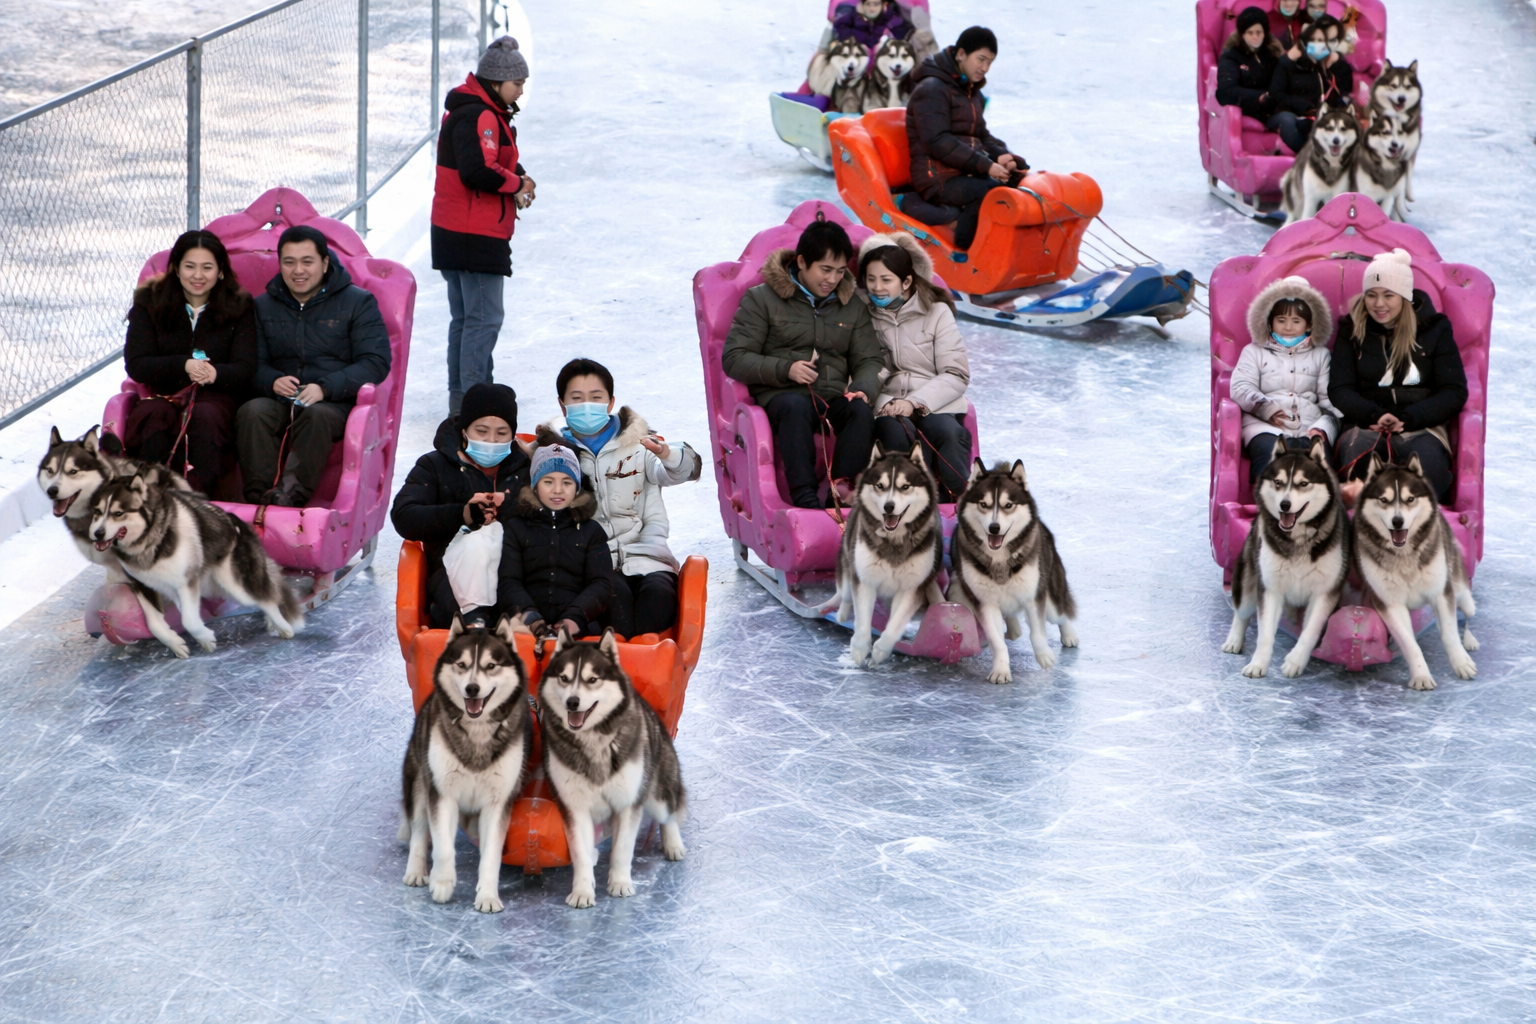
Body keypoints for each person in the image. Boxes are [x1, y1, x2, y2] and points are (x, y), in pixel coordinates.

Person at [721, 216, 884, 510]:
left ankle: (842, 491)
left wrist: (862, 387)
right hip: (782, 396)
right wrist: (786, 369)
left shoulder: (851, 306)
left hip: (832, 395)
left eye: (839, 271)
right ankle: (804, 497)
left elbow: (869, 359)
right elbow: (734, 357)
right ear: (801, 262)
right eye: (825, 269)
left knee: (859, 411)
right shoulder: (762, 299)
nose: (832, 279)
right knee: (795, 409)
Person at [535, 358, 701, 638]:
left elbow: (684, 471)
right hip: (595, 563)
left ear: (610, 403)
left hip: (648, 554)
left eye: (595, 397)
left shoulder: (638, 444)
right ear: (563, 405)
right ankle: (625, 668)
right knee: (613, 606)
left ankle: (647, 668)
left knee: (659, 600)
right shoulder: (554, 453)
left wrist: (665, 453)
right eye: (577, 399)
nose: (587, 405)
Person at [236, 225, 391, 506]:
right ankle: (257, 498)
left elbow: (375, 361)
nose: (298, 270)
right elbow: (249, 361)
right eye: (289, 262)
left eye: (307, 261)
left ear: (325, 262)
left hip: (334, 400)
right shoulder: (263, 306)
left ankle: (289, 498)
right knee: (252, 412)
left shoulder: (357, 302)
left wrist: (325, 387)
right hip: (281, 397)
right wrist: (271, 380)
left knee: (316, 417)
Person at [431, 35, 536, 417]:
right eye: (517, 83)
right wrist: (517, 184)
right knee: (483, 319)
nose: (521, 89)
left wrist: (518, 176)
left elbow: (487, 160)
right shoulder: (481, 115)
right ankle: (471, 408)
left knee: (466, 319)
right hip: (473, 234)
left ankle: (464, 400)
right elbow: (476, 171)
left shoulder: (475, 110)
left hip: (454, 229)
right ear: (496, 81)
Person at [1329, 249, 1468, 505]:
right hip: (1366, 423)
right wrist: (1372, 415)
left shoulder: (1434, 329)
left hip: (1420, 424)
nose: (1378, 304)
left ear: (1404, 296)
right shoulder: (1352, 329)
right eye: (1371, 295)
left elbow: (1454, 390)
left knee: (1427, 472)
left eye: (1388, 295)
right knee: (1358, 464)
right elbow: (1340, 388)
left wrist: (1410, 417)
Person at [123, 230, 255, 496]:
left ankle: (200, 500)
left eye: (207, 267)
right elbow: (137, 363)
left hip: (216, 398)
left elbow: (246, 367)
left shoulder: (238, 306)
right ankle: (149, 496)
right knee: (155, 418)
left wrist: (215, 373)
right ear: (176, 268)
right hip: (164, 394)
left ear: (220, 271)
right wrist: (182, 365)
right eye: (190, 267)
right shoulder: (150, 302)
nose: (198, 275)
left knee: (205, 418)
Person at [390, 383, 530, 629]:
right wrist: (463, 513)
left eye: (501, 433)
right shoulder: (435, 465)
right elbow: (404, 515)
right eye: (482, 431)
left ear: (513, 434)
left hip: (517, 570)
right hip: (453, 572)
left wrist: (507, 507)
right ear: (464, 430)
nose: (491, 440)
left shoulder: (526, 467)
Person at [857, 233, 972, 502]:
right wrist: (885, 401)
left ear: (906, 281)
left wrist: (915, 402)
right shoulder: (864, 316)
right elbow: (866, 367)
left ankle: (957, 501)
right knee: (895, 433)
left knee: (947, 433)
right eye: (871, 280)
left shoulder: (936, 312)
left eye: (886, 280)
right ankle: (905, 504)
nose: (877, 288)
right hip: (888, 401)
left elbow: (955, 373)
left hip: (933, 400)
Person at [905, 26, 1030, 251]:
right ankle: (967, 250)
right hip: (935, 176)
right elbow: (937, 141)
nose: (985, 68)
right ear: (961, 54)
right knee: (989, 192)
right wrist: (985, 165)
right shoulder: (932, 88)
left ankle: (1016, 250)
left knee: (1016, 184)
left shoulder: (971, 93)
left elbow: (981, 135)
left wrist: (1004, 156)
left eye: (990, 62)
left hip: (962, 171)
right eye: (981, 59)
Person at [493, 444, 611, 640]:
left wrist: (574, 619)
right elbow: (508, 581)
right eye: (548, 481)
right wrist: (530, 617)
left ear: (577, 487)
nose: (558, 490)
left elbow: (601, 584)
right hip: (524, 627)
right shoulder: (516, 528)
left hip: (577, 627)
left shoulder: (591, 531)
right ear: (535, 485)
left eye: (567, 482)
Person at [1230, 276, 1341, 482]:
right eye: (1281, 320)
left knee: (1320, 465)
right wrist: (1264, 407)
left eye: (1296, 321)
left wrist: (1323, 428)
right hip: (1265, 424)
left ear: (1309, 325)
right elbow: (1241, 386)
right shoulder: (1254, 351)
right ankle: (1266, 504)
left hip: (1308, 425)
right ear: (1270, 321)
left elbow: (1329, 399)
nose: (1288, 327)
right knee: (1269, 456)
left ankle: (1320, 509)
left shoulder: (1321, 355)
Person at [1267, 18, 1353, 154]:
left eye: (1321, 41)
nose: (1318, 45)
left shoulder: (1321, 67)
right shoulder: (1287, 64)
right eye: (1314, 41)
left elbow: (1332, 95)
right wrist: (1302, 106)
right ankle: (1309, 154)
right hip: (1285, 114)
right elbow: (1276, 94)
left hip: (1311, 118)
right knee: (1289, 121)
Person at [1216, 7, 1283, 124]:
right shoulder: (1232, 56)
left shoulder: (1272, 53)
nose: (1255, 36)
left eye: (1258, 32)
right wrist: (1260, 96)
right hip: (1250, 110)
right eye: (1250, 33)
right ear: (1242, 34)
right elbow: (1226, 89)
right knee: (1287, 121)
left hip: (1276, 107)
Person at [831, 0, 911, 50]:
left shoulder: (893, 21)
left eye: (876, 4)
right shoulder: (851, 16)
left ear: (884, 5)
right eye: (868, 4)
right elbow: (839, 26)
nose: (872, 8)